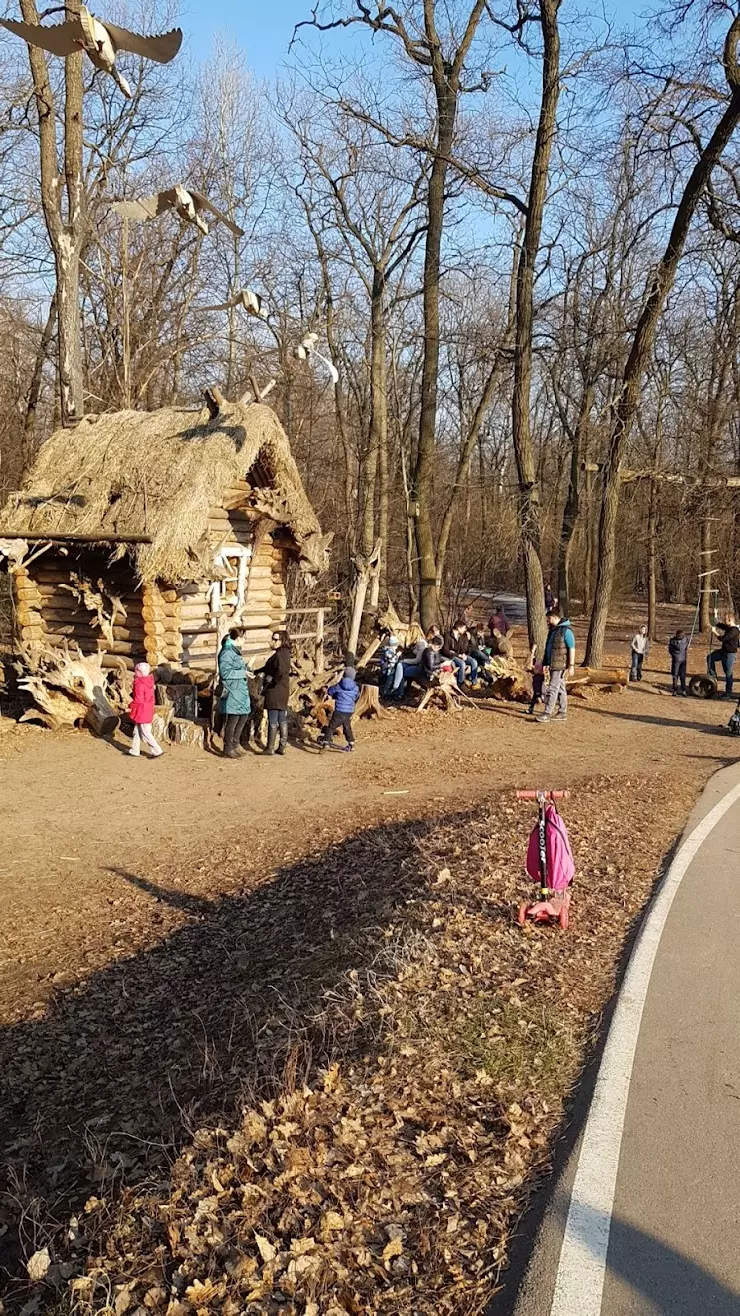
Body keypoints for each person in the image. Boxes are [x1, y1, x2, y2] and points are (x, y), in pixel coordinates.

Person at [537, 609, 576, 723]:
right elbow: (549, 649)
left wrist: (571, 665)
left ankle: (547, 713)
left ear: (554, 617)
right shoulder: (553, 631)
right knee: (560, 688)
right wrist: (545, 663)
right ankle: (562, 712)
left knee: (553, 688)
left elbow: (572, 648)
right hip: (553, 663)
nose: (548, 621)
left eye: (549, 619)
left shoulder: (566, 631)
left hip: (560, 664)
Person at [218, 628, 251, 758]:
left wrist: (247, 670)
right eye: (244, 638)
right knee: (233, 719)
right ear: (238, 638)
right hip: (232, 689)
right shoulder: (227, 652)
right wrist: (242, 673)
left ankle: (235, 743)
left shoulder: (235, 652)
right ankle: (227, 748)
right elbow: (225, 673)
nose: (245, 640)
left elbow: (237, 668)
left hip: (240, 689)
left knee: (243, 715)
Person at [261, 629, 292, 754]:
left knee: (273, 720)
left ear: (282, 641)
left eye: (276, 639)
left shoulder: (279, 655)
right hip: (283, 689)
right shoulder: (284, 653)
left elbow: (280, 671)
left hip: (275, 690)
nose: (273, 642)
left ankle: (269, 747)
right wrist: (258, 671)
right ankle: (282, 746)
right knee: (281, 719)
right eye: (272, 639)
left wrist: (271, 681)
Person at [128, 660, 163, 758]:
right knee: (137, 730)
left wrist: (131, 705)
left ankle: (157, 750)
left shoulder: (139, 684)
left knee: (145, 732)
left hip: (141, 709)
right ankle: (134, 750)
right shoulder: (149, 682)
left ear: (140, 672)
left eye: (137, 671)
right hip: (147, 708)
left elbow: (138, 699)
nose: (135, 673)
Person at [321, 665, 360, 751]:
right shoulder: (356, 687)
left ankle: (326, 742)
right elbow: (357, 696)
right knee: (347, 727)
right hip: (349, 711)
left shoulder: (339, 685)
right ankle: (351, 743)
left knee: (331, 726)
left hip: (339, 710)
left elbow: (331, 691)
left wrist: (329, 692)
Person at [389, 623, 426, 698]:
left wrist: (405, 661)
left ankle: (396, 690)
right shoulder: (417, 643)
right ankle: (398, 691)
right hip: (414, 664)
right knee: (400, 666)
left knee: (401, 668)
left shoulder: (422, 644)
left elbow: (417, 660)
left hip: (420, 667)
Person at [708, 613, 740, 696]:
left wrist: (714, 632)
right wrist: (715, 614)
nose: (724, 621)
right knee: (710, 657)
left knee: (728, 674)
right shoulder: (729, 627)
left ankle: (728, 693)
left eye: (725, 619)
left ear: (730, 620)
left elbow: (722, 639)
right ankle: (713, 676)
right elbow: (717, 624)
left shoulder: (734, 630)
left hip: (730, 654)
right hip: (723, 651)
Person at [442, 621, 477, 687]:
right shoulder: (447, 635)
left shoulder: (461, 636)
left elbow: (463, 649)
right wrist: (458, 655)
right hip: (452, 656)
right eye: (463, 628)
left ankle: (474, 682)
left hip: (460, 654)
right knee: (462, 664)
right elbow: (446, 651)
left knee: (474, 662)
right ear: (458, 628)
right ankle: (460, 683)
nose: (465, 630)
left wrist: (464, 654)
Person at [668, 629, 689, 696]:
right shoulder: (685, 641)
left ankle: (675, 690)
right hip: (683, 659)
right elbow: (686, 647)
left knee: (675, 675)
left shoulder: (672, 641)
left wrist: (674, 655)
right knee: (682, 675)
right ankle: (683, 690)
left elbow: (670, 650)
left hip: (676, 659)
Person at [527, 643, 546, 716]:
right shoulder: (538, 662)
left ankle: (547, 710)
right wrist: (533, 650)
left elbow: (535, 669)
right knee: (535, 695)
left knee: (541, 695)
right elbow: (531, 666)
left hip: (540, 680)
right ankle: (531, 709)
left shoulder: (543, 664)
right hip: (536, 680)